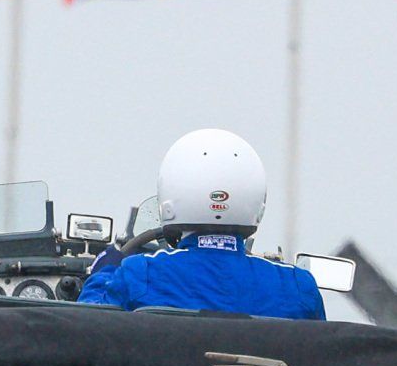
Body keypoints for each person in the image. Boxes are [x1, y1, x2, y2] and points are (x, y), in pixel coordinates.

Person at [77, 128, 325, 320]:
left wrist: (103, 272)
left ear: (170, 194)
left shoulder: (140, 273)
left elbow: (88, 327)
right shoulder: (299, 287)